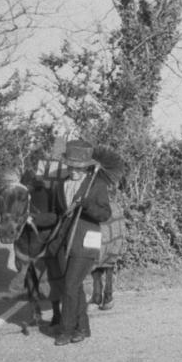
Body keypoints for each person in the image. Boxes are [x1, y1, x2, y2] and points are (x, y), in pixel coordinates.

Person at [45, 139, 112, 346]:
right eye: (71, 167)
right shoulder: (59, 185)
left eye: (79, 168)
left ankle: (66, 331)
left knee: (69, 285)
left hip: (85, 243)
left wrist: (88, 205)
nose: (74, 171)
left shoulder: (96, 185)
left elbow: (105, 215)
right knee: (75, 288)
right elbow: (56, 215)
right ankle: (83, 328)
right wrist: (33, 219)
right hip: (64, 242)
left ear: (86, 167)